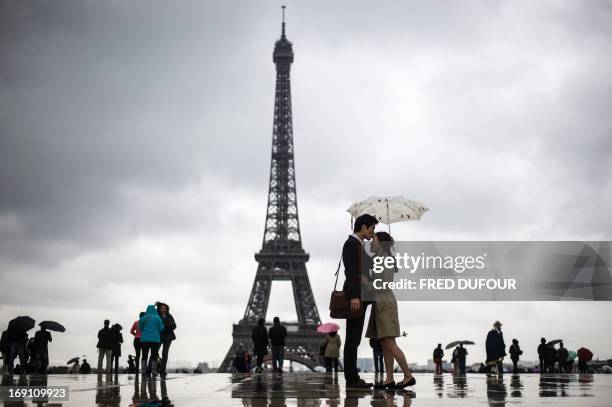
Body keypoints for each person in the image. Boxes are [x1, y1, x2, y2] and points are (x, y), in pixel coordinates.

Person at [365, 231, 416, 389]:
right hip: (383, 302)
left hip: (384, 302)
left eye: (374, 239)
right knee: (385, 342)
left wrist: (366, 282)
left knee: (389, 342)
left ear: (381, 243)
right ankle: (389, 378)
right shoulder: (381, 259)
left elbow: (383, 284)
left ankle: (408, 376)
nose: (371, 242)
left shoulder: (385, 259)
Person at [342, 214, 378, 389]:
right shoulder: (351, 244)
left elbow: (364, 270)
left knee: (354, 339)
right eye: (372, 228)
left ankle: (353, 377)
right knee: (352, 339)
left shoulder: (360, 245)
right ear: (363, 227)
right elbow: (350, 272)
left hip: (361, 296)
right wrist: (355, 296)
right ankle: (352, 379)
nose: (373, 232)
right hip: (356, 297)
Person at [139, 304, 164, 376]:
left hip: (144, 340)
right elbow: (161, 328)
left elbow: (140, 328)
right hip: (155, 340)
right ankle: (153, 371)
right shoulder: (157, 318)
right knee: (154, 356)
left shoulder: (143, 318)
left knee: (144, 355)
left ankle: (143, 371)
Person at [156, 302, 176, 377]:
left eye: (165, 308)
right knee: (155, 352)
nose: (164, 309)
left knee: (165, 353)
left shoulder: (169, 316)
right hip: (159, 336)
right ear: (159, 309)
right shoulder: (157, 315)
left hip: (168, 337)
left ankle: (162, 370)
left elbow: (174, 326)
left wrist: (165, 327)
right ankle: (152, 369)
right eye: (162, 308)